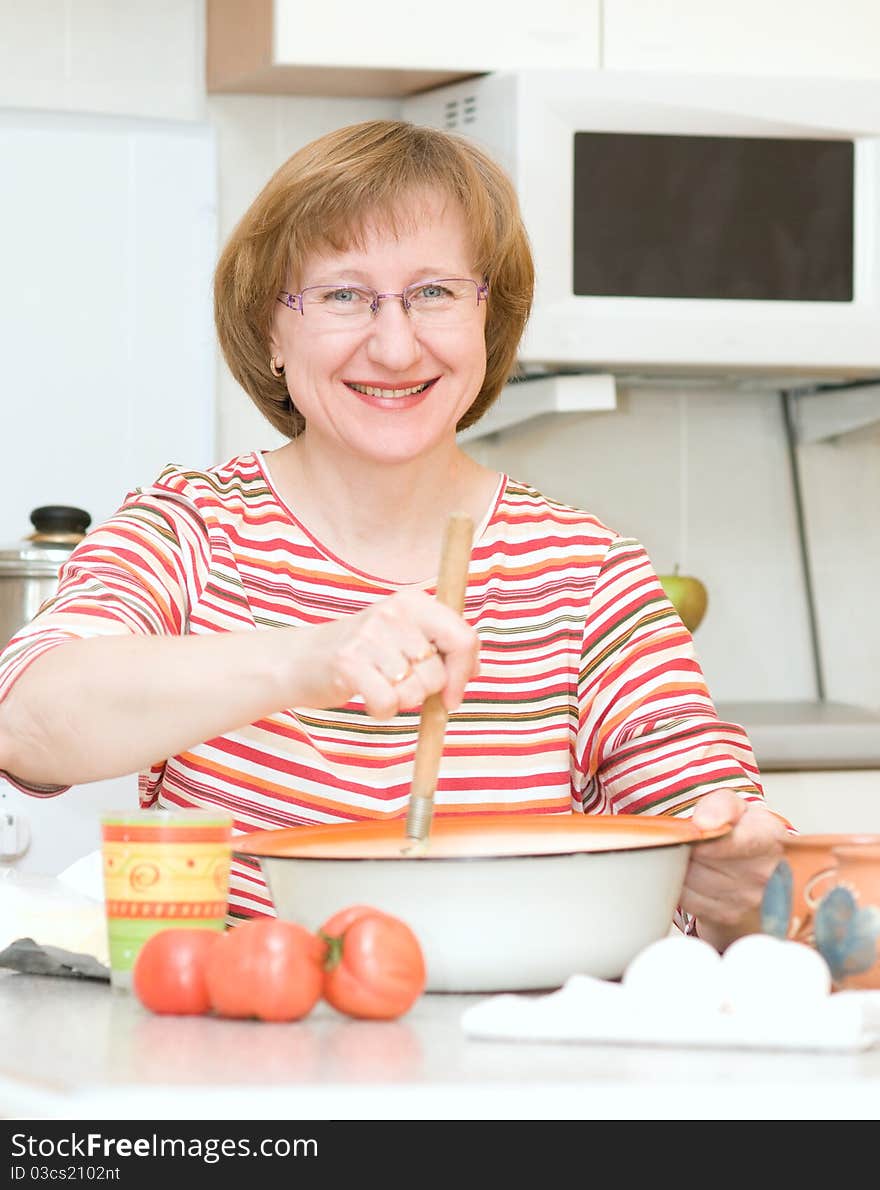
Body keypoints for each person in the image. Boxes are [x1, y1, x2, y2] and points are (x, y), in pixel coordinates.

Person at [0, 119, 786, 951]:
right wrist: (308, 659)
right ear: (271, 330)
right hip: (236, 1046)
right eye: (343, 294)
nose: (395, 343)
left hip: (503, 1057)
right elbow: (27, 721)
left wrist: (735, 880)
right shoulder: (192, 530)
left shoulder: (590, 576)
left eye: (435, 293)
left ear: (490, 319)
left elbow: (717, 853)